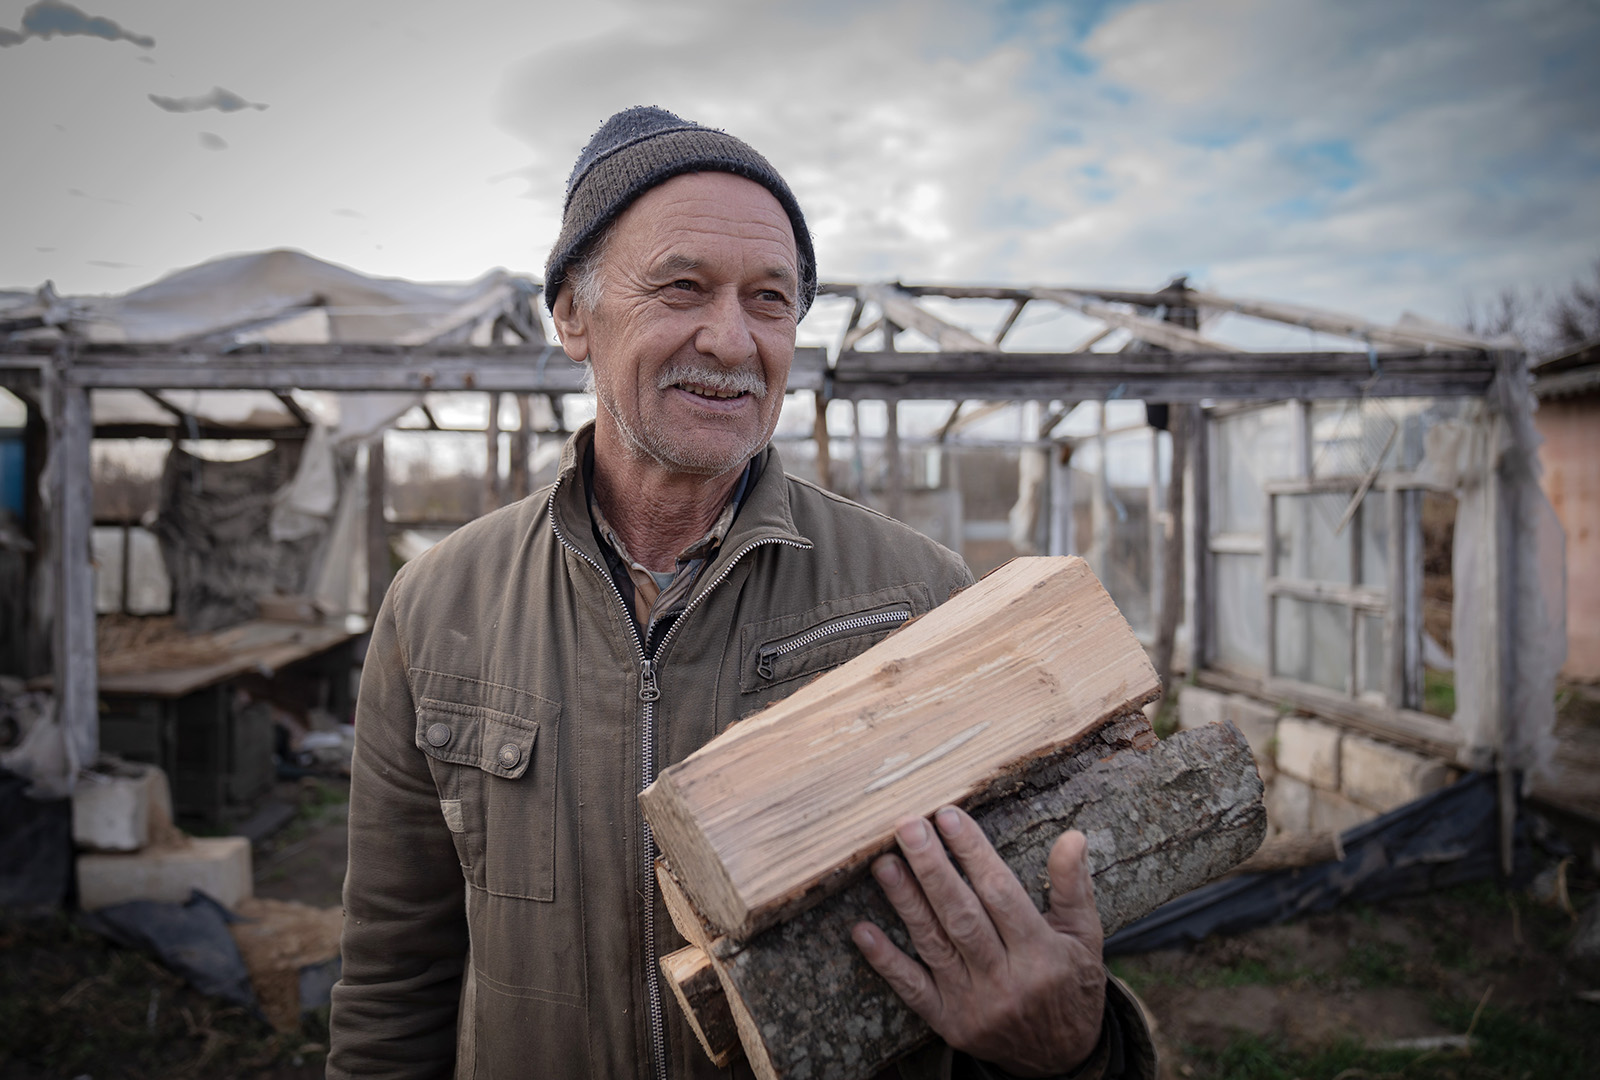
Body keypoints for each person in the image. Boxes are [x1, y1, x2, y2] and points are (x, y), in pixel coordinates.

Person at [328, 106, 1155, 1080]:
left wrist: (1076, 1055)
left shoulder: (917, 599)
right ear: (571, 317)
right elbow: (394, 975)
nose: (730, 340)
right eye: (682, 287)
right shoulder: (436, 609)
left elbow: (1015, 953)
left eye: (769, 300)